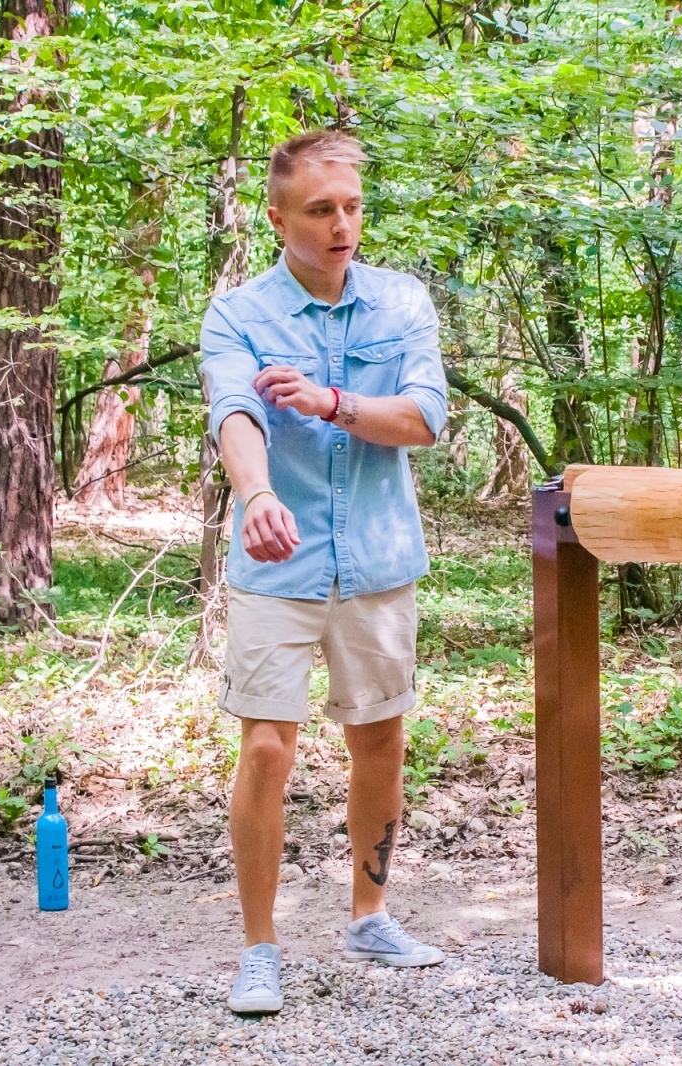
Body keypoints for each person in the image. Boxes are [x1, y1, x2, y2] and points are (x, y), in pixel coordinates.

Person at [199, 130, 449, 1015]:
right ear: (277, 217)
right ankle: (259, 948)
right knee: (267, 748)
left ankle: (370, 914)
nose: (342, 224)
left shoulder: (401, 303)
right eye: (320, 210)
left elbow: (425, 417)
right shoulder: (237, 315)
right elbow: (235, 412)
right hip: (279, 562)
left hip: (380, 559)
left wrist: (335, 402)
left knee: (380, 740)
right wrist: (256, 494)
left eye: (351, 207)